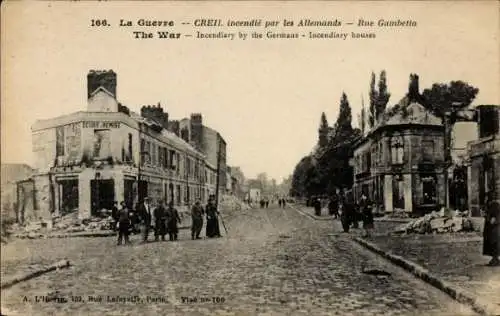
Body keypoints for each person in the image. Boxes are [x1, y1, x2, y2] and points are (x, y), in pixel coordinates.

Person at [483, 191, 500, 266]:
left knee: (494, 242)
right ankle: (495, 259)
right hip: (492, 227)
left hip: (494, 227)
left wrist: (493, 219)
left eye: (486, 197)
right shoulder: (491, 204)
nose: (485, 199)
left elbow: (495, 215)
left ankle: (495, 259)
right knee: (492, 242)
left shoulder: (495, 204)